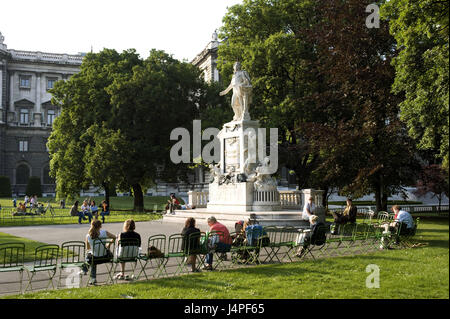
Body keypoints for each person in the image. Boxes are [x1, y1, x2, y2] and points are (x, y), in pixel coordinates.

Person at [81, 220, 116, 285]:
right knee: (93, 258)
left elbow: (88, 248)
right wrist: (108, 245)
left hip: (95, 258)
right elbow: (114, 237)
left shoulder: (88, 236)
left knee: (90, 257)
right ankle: (86, 272)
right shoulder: (105, 232)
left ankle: (88, 274)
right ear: (100, 226)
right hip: (105, 257)